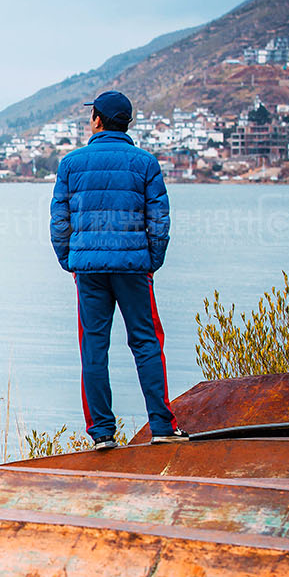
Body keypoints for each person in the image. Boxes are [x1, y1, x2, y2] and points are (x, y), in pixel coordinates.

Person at [49, 90, 189, 449]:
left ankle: (102, 434)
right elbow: (159, 220)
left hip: (89, 270)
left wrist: (71, 260)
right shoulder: (145, 163)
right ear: (126, 122)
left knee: (94, 347)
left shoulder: (71, 164)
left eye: (91, 115)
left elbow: (59, 221)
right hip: (132, 267)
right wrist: (151, 260)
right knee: (146, 342)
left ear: (97, 120)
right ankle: (161, 426)